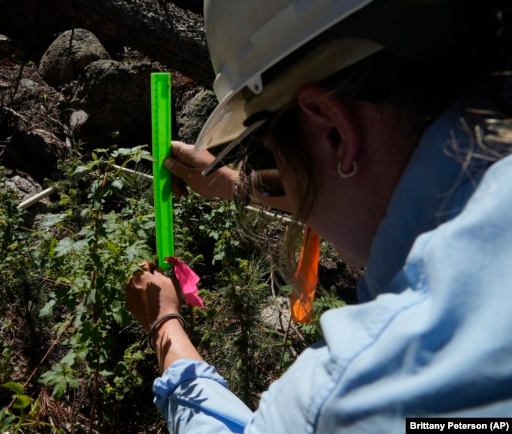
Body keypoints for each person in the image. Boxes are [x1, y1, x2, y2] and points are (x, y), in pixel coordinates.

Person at [125, 0, 512, 432]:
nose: (269, 164)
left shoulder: (354, 394)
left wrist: (164, 323)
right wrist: (237, 183)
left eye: (265, 149)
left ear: (331, 128)